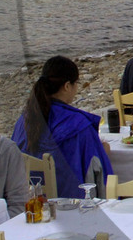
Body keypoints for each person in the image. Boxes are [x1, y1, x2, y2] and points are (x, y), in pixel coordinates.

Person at [14, 55, 113, 195]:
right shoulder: (79, 125)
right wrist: (103, 152)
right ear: (67, 86)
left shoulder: (25, 119)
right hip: (73, 204)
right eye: (76, 83)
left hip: (33, 202)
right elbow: (99, 174)